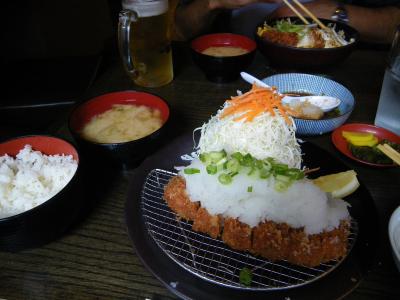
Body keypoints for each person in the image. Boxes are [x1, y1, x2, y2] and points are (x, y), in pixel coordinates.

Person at [174, 0, 400, 44]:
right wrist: (212, 3)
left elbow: (393, 24)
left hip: (339, 78)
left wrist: (335, 13)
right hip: (238, 68)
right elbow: (180, 28)